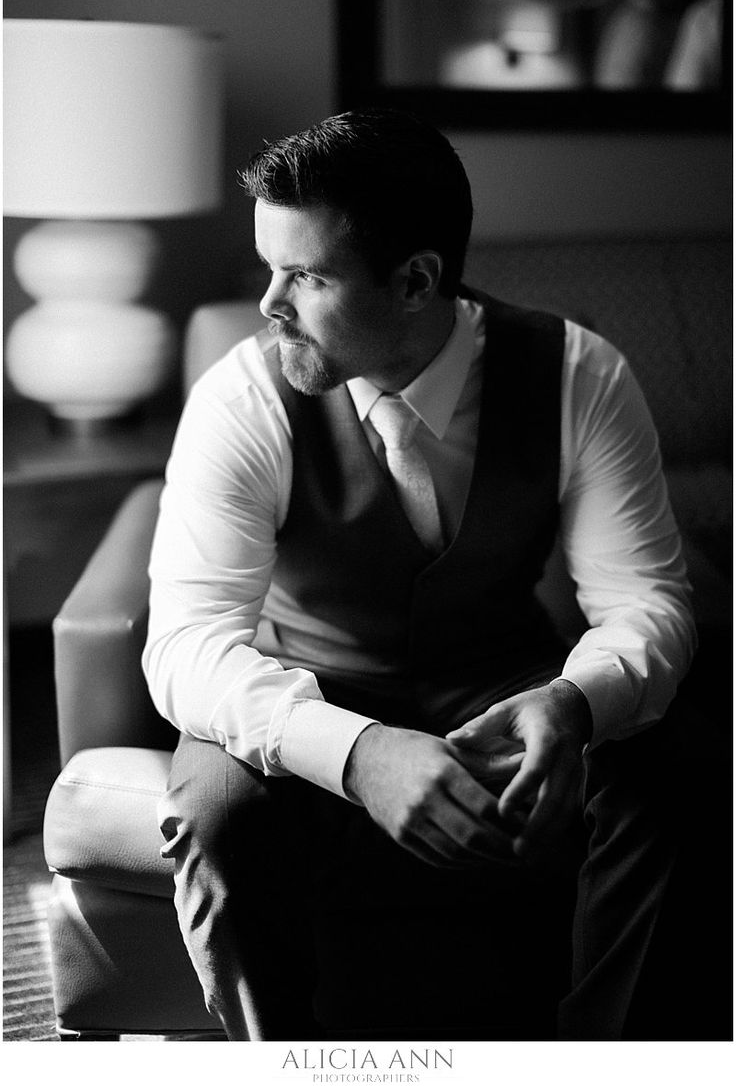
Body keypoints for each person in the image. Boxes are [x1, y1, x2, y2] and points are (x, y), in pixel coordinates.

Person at [143, 109, 696, 1041]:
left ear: (416, 281)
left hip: (506, 689)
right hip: (305, 688)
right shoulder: (241, 396)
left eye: (306, 276)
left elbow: (646, 599)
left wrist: (577, 700)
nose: (269, 303)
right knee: (218, 811)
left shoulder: (579, 376)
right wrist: (354, 753)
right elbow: (187, 646)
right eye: (269, 267)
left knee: (673, 767)